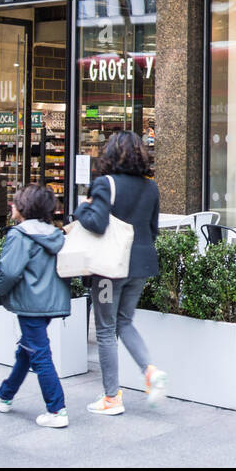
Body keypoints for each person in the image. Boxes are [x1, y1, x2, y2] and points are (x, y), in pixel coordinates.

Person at [72, 130, 166, 415]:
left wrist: (80, 210)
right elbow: (152, 230)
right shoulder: (151, 187)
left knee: (104, 329)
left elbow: (96, 224)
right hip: (140, 266)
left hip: (108, 269)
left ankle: (111, 397)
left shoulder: (104, 184)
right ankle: (149, 371)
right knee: (124, 322)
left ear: (110, 153)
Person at [0, 183, 71, 428]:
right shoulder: (55, 235)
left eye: (15, 202)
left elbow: (10, 271)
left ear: (24, 207)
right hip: (50, 302)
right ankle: (5, 395)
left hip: (30, 303)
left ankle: (56, 409)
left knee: (39, 352)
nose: (12, 205)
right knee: (27, 349)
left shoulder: (19, 234)